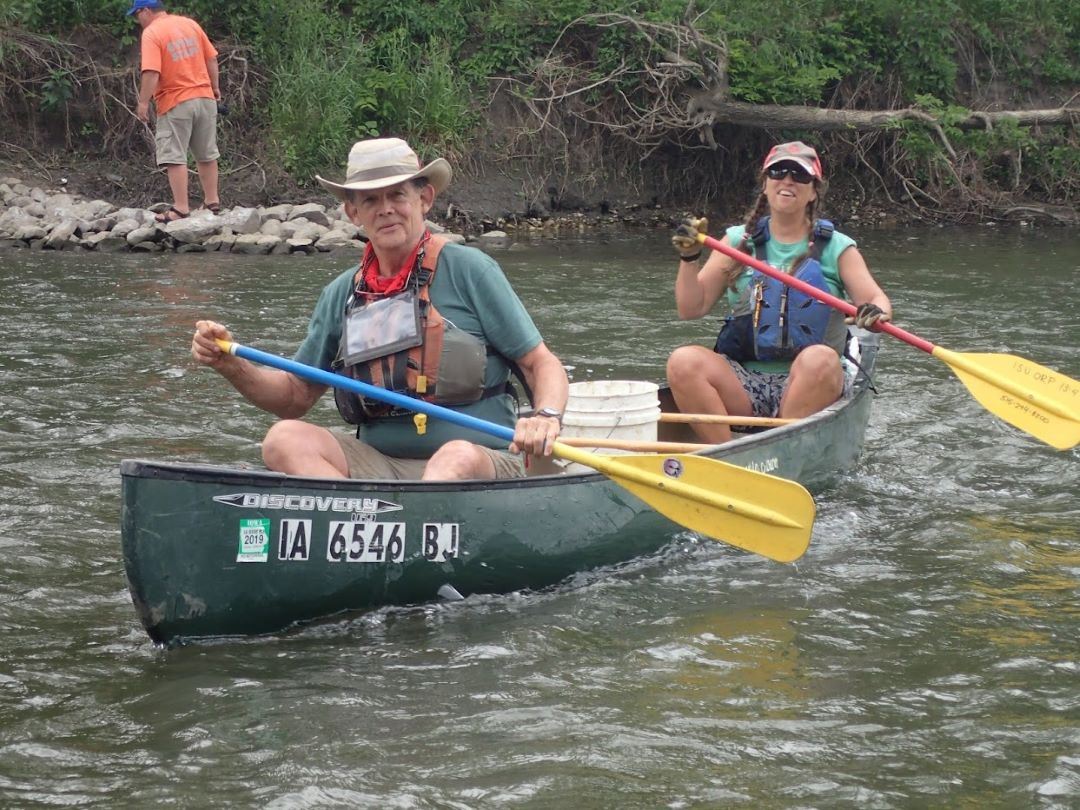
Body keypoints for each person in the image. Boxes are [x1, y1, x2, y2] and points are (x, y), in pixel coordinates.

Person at [191, 137, 569, 481]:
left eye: (397, 196)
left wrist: (545, 417)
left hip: (484, 460)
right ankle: (362, 519)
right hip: (382, 466)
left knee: (453, 459)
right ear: (353, 213)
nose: (386, 209)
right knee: (283, 439)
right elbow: (294, 396)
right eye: (370, 200)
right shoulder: (342, 294)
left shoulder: (470, 270)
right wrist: (231, 365)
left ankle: (396, 528)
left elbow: (541, 364)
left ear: (424, 199)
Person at [666, 141, 892, 444]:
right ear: (765, 184)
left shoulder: (837, 247)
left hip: (811, 383)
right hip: (746, 383)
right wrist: (689, 259)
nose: (787, 180)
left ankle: (781, 447)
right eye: (778, 172)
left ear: (813, 191)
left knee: (819, 359)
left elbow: (878, 302)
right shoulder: (736, 241)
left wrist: (875, 312)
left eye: (799, 175)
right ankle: (726, 454)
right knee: (683, 361)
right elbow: (690, 308)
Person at [128, 0, 222, 222]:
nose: (137, 20)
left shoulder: (152, 33)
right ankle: (212, 203)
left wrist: (143, 103)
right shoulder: (189, 24)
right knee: (207, 153)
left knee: (175, 156)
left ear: (146, 11)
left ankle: (180, 209)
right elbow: (211, 58)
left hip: (176, 101)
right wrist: (215, 87)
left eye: (136, 14)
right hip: (205, 97)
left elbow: (151, 71)